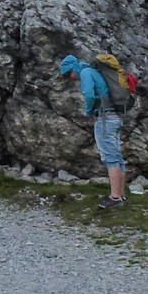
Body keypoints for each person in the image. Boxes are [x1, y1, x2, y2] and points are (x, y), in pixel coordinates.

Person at [59, 54, 126, 209]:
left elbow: (89, 94)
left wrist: (88, 111)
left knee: (110, 157)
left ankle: (115, 198)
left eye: (68, 74)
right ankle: (121, 195)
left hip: (104, 119)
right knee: (117, 156)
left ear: (72, 68)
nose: (71, 78)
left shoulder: (85, 73)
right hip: (115, 116)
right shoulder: (94, 71)